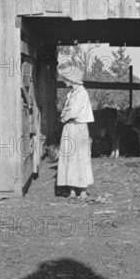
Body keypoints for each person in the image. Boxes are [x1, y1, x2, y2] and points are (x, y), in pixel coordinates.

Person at [57, 64, 94, 201]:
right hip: (70, 128)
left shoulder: (81, 93)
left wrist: (64, 117)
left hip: (78, 128)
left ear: (72, 79)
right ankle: (72, 190)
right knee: (70, 158)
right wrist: (64, 114)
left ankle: (83, 191)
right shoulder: (72, 93)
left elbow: (72, 112)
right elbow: (65, 110)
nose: (64, 81)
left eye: (66, 78)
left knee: (80, 157)